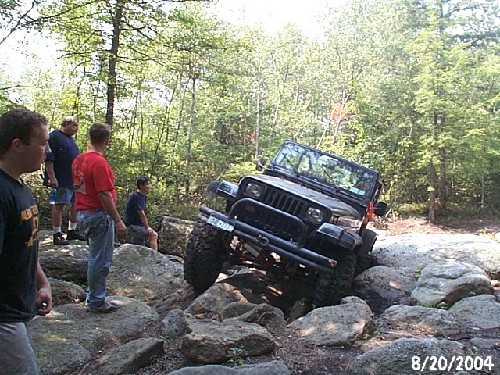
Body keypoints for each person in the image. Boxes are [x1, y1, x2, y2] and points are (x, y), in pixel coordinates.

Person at [0, 108, 53, 374]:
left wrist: (41, 283)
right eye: (42, 143)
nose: (47, 150)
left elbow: (24, 245)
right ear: (17, 146)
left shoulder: (20, 188)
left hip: (19, 310)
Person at [72, 122, 127, 313]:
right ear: (106, 141)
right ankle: (96, 300)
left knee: (95, 256)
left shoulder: (79, 159)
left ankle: (93, 295)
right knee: (100, 259)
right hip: (97, 214)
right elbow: (104, 194)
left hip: (83, 213)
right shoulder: (99, 163)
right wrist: (118, 220)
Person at [44, 116, 85, 245]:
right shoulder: (55, 136)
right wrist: (52, 177)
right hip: (61, 179)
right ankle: (57, 234)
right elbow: (49, 158)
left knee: (76, 204)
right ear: (66, 124)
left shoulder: (71, 140)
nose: (76, 129)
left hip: (73, 180)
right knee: (59, 204)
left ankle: (71, 231)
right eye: (74, 126)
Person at [124, 176, 158, 251]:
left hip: (138, 225)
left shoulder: (143, 196)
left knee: (139, 247)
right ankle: (156, 258)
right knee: (153, 235)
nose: (149, 186)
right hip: (133, 226)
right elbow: (141, 214)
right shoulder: (135, 196)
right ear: (141, 186)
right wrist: (148, 227)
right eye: (147, 184)